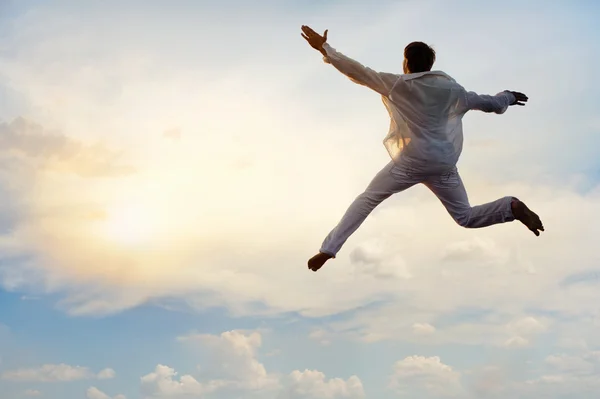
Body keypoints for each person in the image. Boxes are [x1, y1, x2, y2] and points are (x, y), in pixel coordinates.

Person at [300, 25, 544, 272]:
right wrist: (509, 97)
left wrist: (324, 48)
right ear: (430, 64)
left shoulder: (397, 85)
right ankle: (509, 207)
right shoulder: (454, 91)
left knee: (368, 198)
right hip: (444, 164)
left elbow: (357, 71)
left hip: (411, 162)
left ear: (406, 63)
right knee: (465, 217)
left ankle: (329, 249)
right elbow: (490, 104)